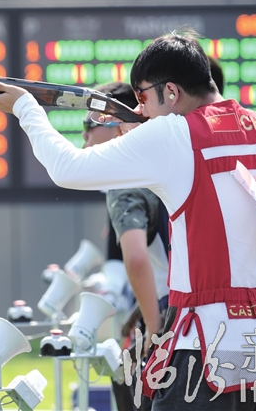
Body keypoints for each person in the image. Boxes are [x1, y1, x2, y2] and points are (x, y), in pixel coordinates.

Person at [0, 30, 256, 409]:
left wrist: (26, 108)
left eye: (142, 96)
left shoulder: (176, 134)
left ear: (171, 92)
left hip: (206, 346)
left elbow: (67, 169)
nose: (140, 109)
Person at [83, 82, 170, 411]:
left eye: (89, 125)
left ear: (117, 121)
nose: (85, 139)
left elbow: (137, 259)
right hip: (242, 318)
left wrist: (154, 327)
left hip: (177, 320)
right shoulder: (174, 160)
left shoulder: (126, 178)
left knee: (126, 375)